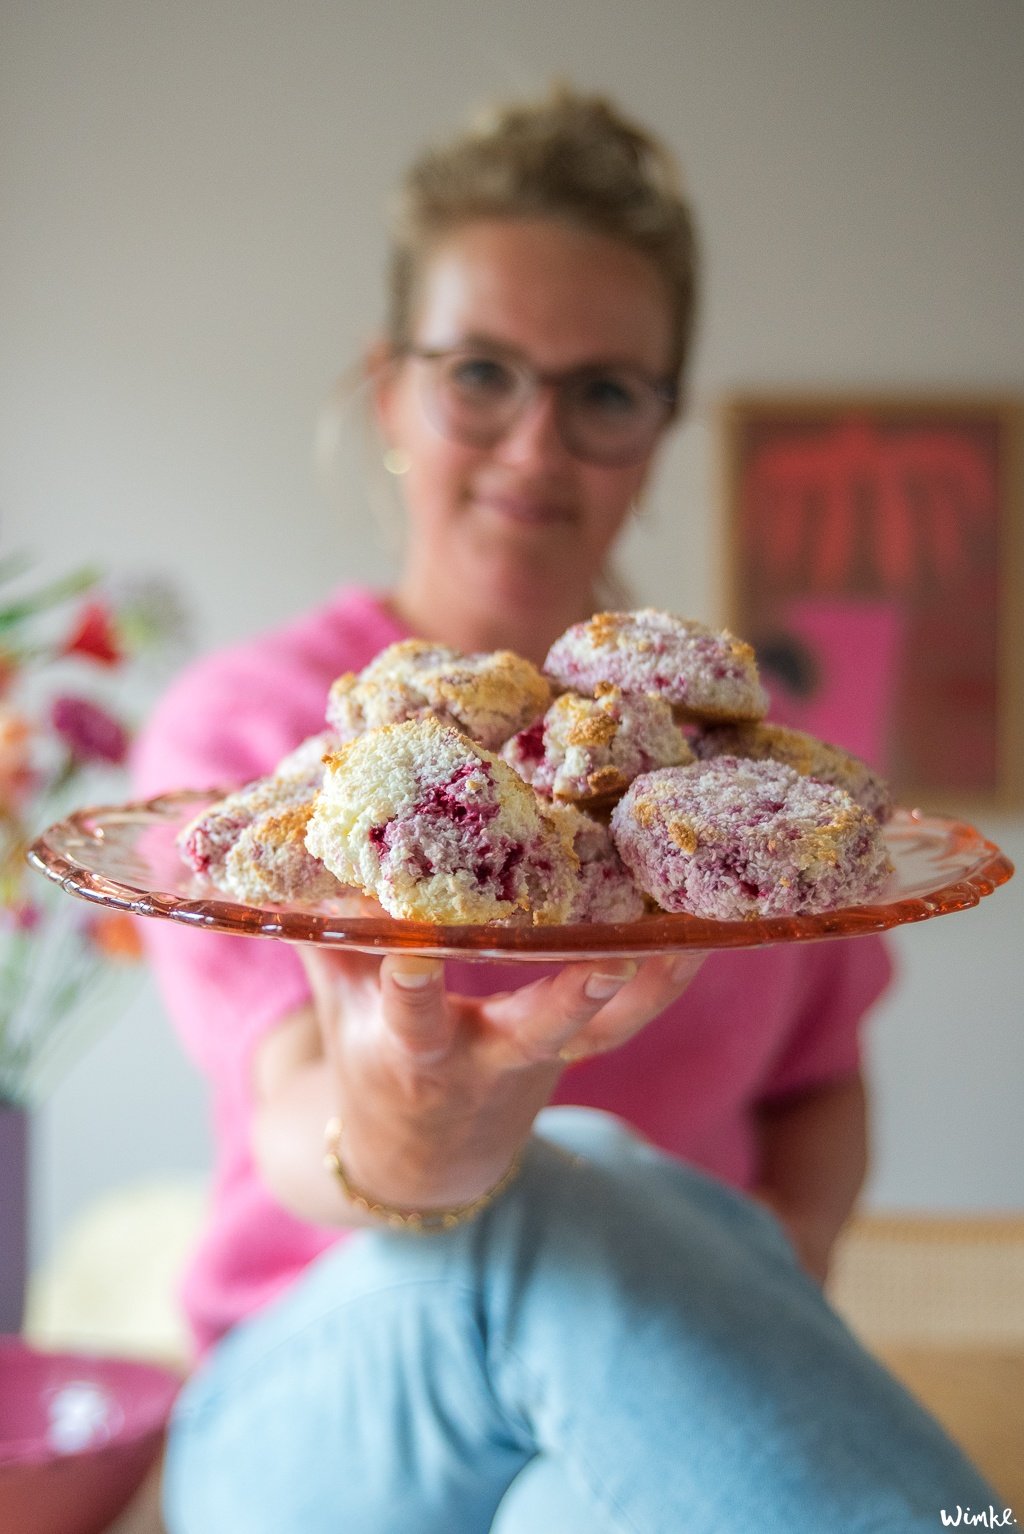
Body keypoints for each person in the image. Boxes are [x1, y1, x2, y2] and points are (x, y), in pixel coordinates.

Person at [133, 87, 1003, 1533]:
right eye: (483, 371)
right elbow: (290, 1108)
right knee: (579, 1167)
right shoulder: (270, 744)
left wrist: (748, 1279)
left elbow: (819, 1082)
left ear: (660, 428)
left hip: (621, 1405)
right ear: (393, 388)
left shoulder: (747, 790)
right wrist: (413, 1131)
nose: (538, 444)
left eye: (604, 391)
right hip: (324, 1418)